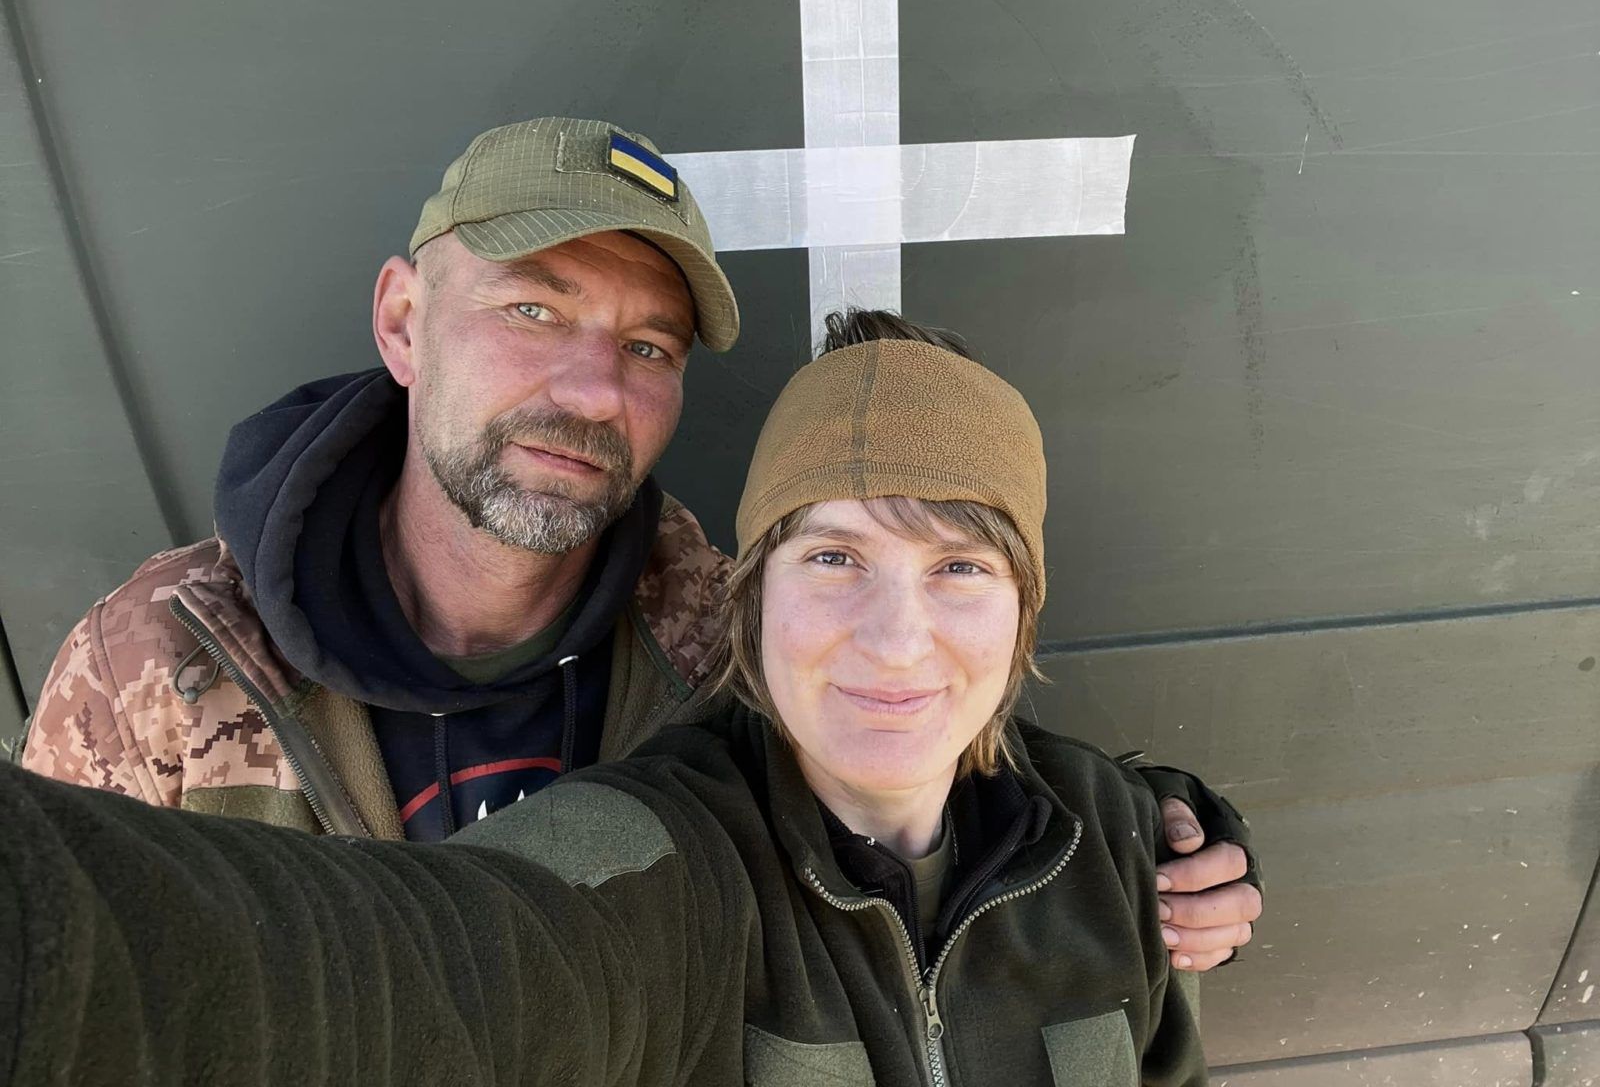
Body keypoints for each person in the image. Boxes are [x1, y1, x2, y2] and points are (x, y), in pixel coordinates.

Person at [19, 117, 1259, 966]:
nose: (592, 392)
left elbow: (916, 727)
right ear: (403, 321)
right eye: (531, 308)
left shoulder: (714, 635)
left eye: (646, 345)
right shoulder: (159, 669)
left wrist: (1151, 827)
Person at [2, 312, 1215, 1084]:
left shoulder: (1115, 838)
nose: (896, 641)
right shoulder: (666, 857)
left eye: (960, 569)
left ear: (1023, 611)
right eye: (832, 557)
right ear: (750, 600)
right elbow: (413, 967)